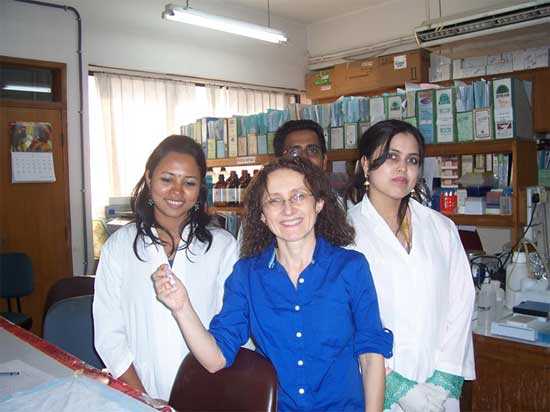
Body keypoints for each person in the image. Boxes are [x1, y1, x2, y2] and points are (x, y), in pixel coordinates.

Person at [153, 157, 393, 412]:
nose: (288, 209)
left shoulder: (351, 268)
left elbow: (371, 355)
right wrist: (181, 307)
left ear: (319, 203)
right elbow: (215, 359)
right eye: (274, 200)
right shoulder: (247, 276)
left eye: (299, 196)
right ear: (263, 216)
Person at [93, 135, 237, 401]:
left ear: (199, 189)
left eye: (189, 183)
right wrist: (143, 398)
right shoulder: (119, 247)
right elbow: (109, 334)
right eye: (167, 179)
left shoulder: (223, 247)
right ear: (149, 179)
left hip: (210, 391)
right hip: (139, 392)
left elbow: (230, 331)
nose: (177, 192)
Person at [346, 120, 475, 412]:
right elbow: (343, 318)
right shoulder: (343, 232)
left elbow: (462, 300)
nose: (402, 168)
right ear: (366, 165)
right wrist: (396, 386)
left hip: (438, 390)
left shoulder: (441, 227)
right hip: (377, 387)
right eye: (391, 157)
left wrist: (446, 376)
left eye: (412, 160)